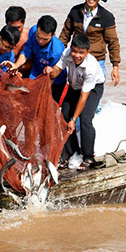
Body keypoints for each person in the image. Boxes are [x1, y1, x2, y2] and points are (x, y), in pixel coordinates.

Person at [44, 34, 105, 170]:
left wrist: (74, 118)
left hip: (92, 89)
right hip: (74, 86)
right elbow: (56, 71)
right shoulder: (66, 54)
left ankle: (88, 156)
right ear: (70, 49)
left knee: (85, 119)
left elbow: (84, 96)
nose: (77, 55)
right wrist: (49, 71)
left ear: (87, 52)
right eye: (75, 51)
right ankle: (73, 153)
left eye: (81, 53)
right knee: (63, 118)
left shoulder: (91, 67)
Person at [59, 0, 121, 87]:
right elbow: (65, 34)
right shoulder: (75, 11)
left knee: (95, 97)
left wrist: (115, 66)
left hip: (97, 60)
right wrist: (58, 55)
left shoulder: (107, 17)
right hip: (76, 59)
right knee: (75, 93)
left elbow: (113, 43)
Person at [1, 15, 67, 102]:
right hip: (36, 73)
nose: (40, 41)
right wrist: (16, 65)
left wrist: (39, 92)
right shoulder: (33, 31)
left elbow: (52, 76)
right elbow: (26, 52)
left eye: (45, 39)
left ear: (53, 35)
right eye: (38, 36)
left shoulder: (57, 51)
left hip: (55, 81)